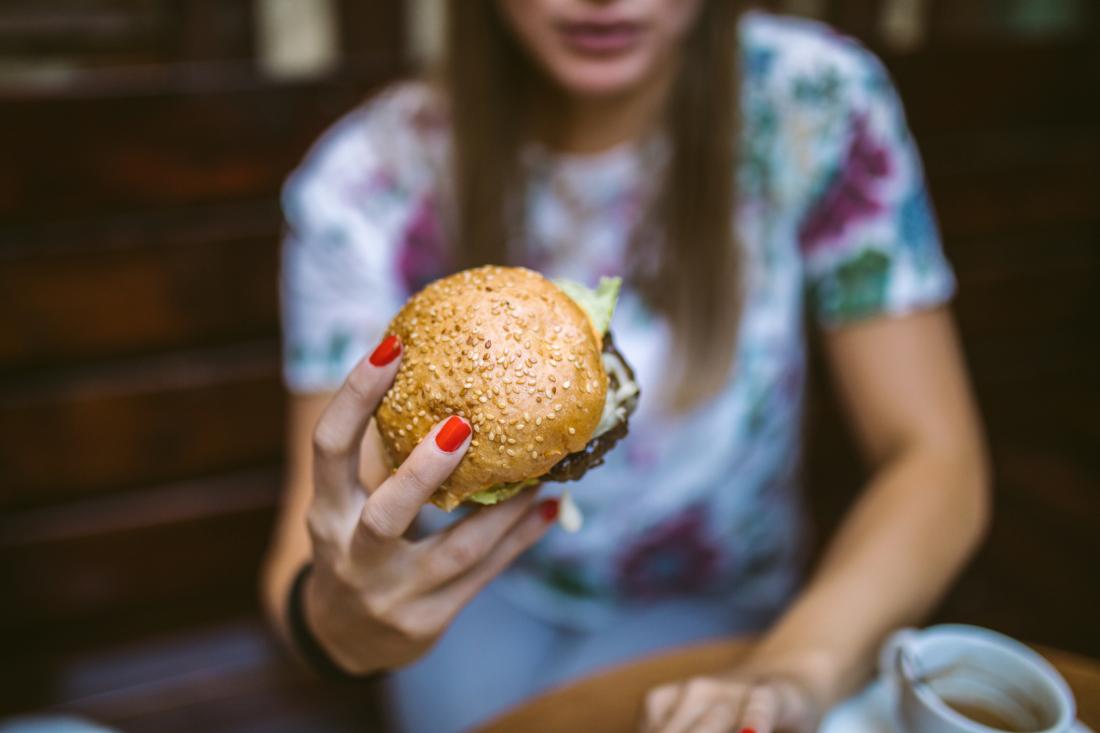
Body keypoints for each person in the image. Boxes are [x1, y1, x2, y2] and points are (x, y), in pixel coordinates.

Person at [261, 2, 990, 731]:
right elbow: (309, 544)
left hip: (721, 601)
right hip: (473, 597)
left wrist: (794, 667)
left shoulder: (812, 103)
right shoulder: (368, 180)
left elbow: (933, 458)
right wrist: (341, 619)